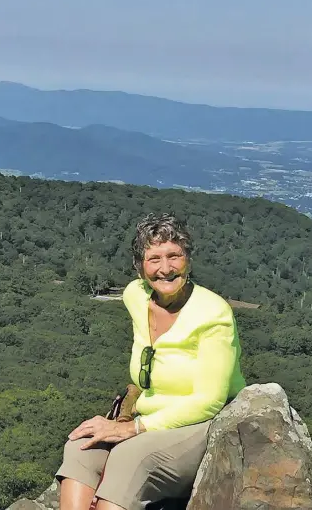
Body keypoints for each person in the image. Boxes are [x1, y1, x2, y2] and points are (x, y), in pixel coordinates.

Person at [56, 213, 246, 510]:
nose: (166, 269)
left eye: (175, 256)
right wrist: (126, 424)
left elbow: (209, 401)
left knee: (131, 460)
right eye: (154, 259)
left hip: (201, 423)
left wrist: (134, 429)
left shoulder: (213, 313)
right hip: (147, 418)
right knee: (80, 448)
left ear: (188, 261)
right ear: (140, 267)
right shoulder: (136, 296)